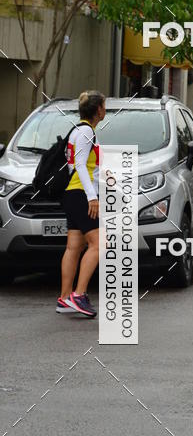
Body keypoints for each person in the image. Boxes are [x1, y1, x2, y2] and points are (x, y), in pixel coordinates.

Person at [57, 90, 106, 317]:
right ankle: (79, 295)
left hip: (72, 193)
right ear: (98, 110)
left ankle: (65, 299)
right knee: (98, 244)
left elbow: (77, 166)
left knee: (74, 247)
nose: (105, 110)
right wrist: (92, 197)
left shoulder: (78, 130)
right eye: (104, 106)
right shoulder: (86, 131)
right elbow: (79, 165)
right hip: (80, 194)